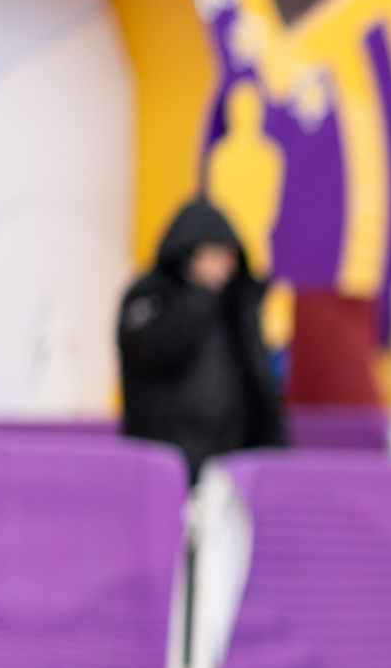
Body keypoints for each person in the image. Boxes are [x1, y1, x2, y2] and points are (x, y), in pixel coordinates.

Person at [115, 199, 285, 477]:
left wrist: (276, 447)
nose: (226, 265)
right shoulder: (151, 296)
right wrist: (201, 293)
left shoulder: (235, 306)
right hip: (165, 467)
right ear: (190, 251)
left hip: (232, 467)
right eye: (216, 253)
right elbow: (156, 350)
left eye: (230, 256)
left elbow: (259, 384)